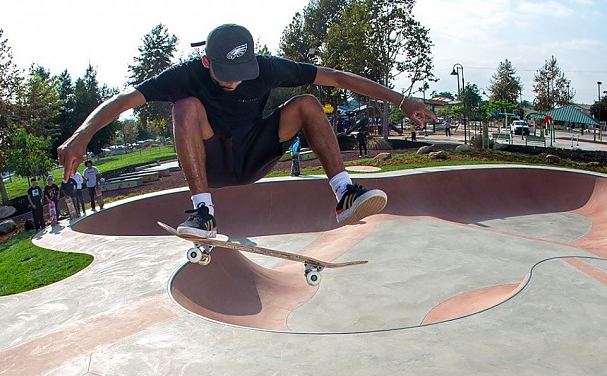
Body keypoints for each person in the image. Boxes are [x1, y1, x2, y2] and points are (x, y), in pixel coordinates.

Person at [57, 23, 436, 241]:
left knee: (306, 102)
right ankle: (203, 212)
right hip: (213, 161)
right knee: (185, 105)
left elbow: (336, 77)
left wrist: (401, 100)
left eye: (243, 76)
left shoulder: (268, 68)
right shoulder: (185, 74)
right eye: (226, 76)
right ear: (206, 61)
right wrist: (82, 135)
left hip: (255, 154)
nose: (236, 84)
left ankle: (344, 195)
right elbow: (125, 99)